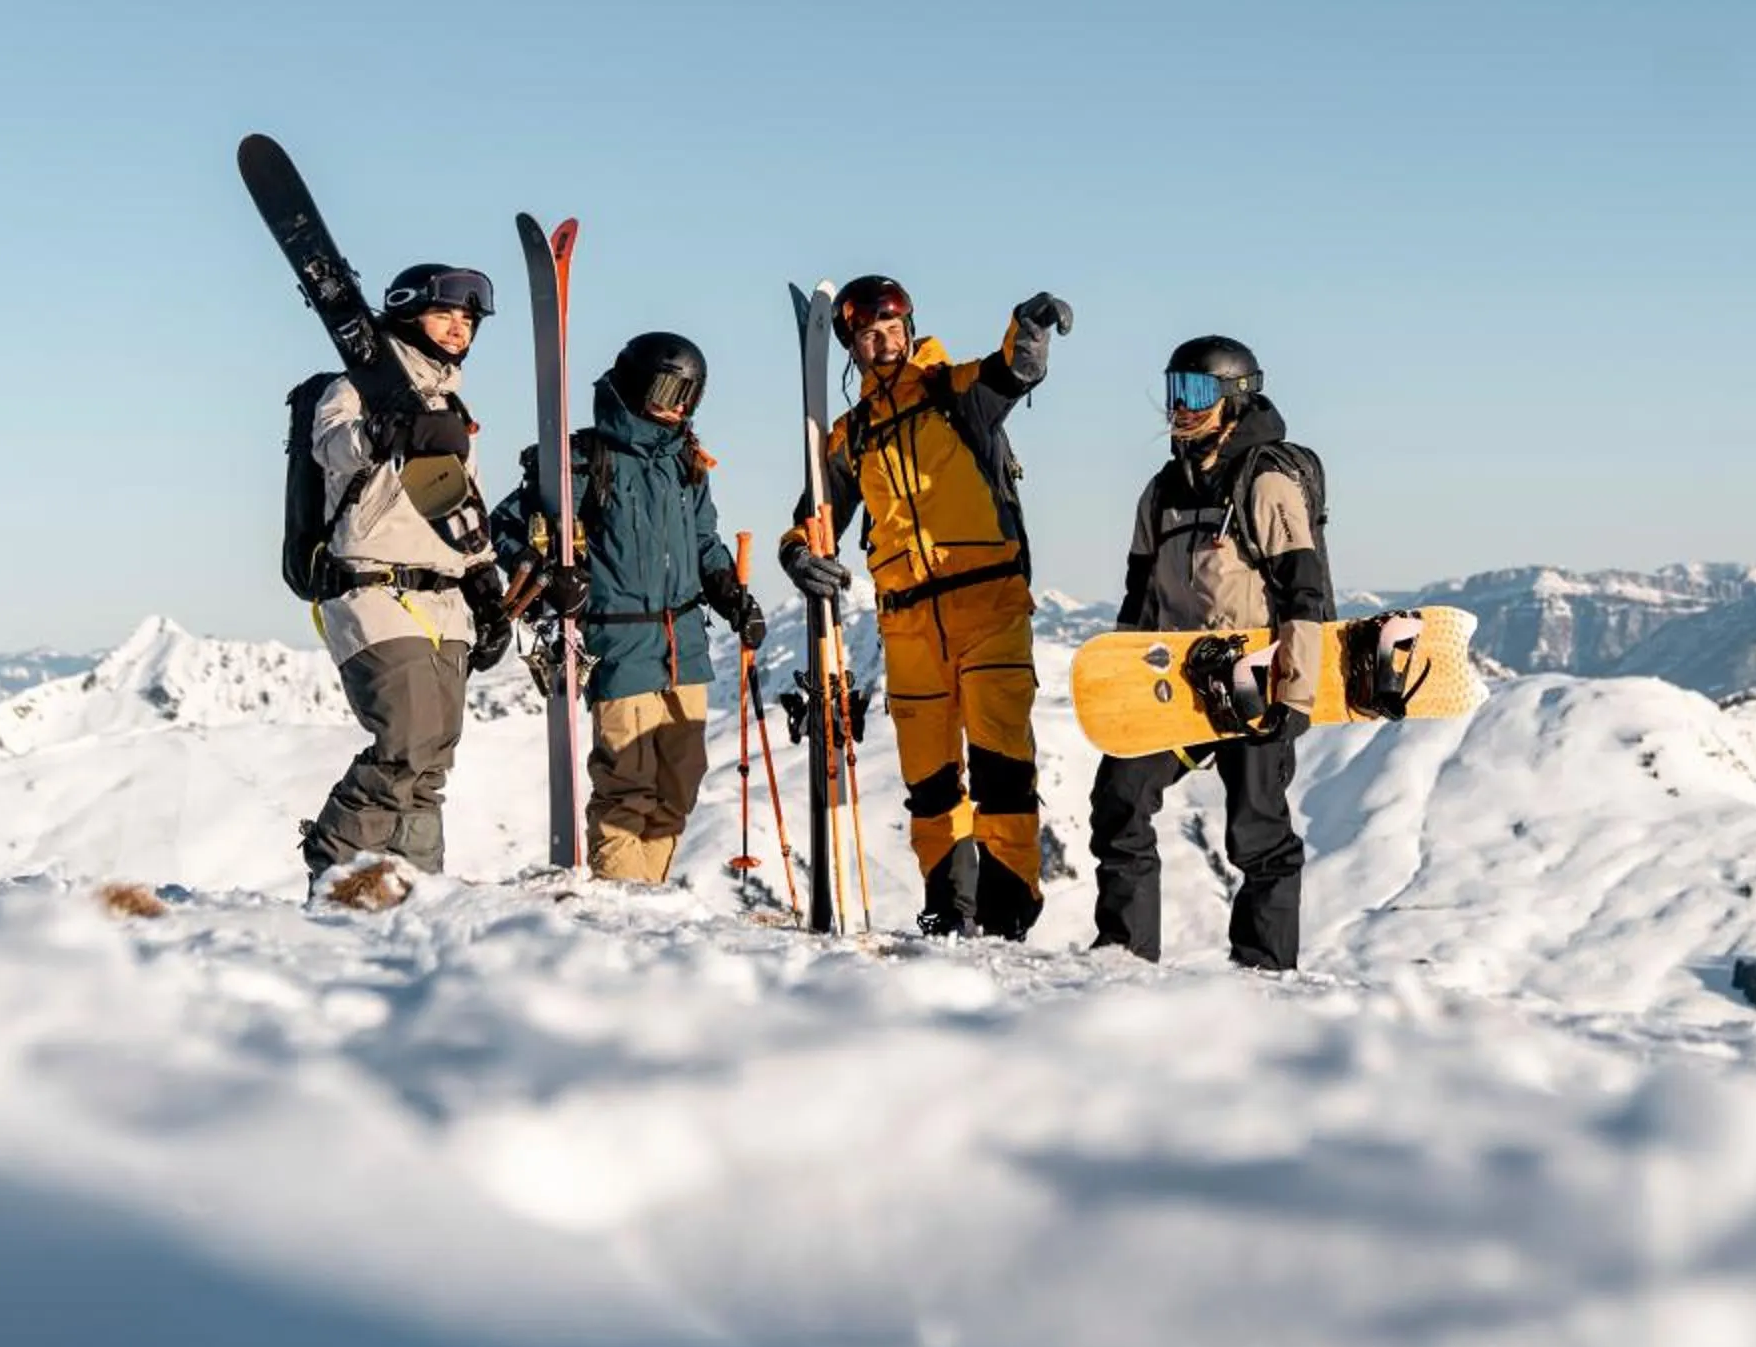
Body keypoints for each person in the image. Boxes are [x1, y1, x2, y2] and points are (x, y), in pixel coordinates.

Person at [780, 276, 1071, 939]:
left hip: (989, 606)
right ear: (852, 349)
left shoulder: (955, 392)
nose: (883, 344)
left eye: (892, 330)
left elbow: (1015, 371)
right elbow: (813, 518)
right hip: (907, 623)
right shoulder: (852, 437)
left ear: (910, 328)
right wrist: (798, 553)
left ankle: (1006, 917)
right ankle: (946, 915)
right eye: (867, 337)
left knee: (1002, 772)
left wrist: (1030, 328)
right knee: (932, 786)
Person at [1089, 335, 1330, 972]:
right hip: (1178, 685)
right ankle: (1124, 956)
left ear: (1233, 399)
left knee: (1257, 834)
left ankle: (1265, 971)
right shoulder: (1162, 491)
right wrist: (1123, 688)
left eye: (1195, 393)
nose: (1179, 407)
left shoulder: (1267, 483)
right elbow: (1139, 599)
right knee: (1120, 798)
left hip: (1255, 685)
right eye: (1174, 390)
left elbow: (1304, 593)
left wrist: (1297, 694)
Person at [493, 331, 766, 883]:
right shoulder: (584, 458)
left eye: (690, 394)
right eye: (668, 388)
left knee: (679, 788)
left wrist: (732, 595)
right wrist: (550, 577)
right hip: (619, 645)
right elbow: (506, 525)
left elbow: (704, 541)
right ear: (638, 383)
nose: (677, 404)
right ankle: (622, 915)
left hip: (684, 647)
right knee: (627, 787)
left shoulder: (687, 462)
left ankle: (649, 900)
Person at [298, 264, 512, 885]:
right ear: (408, 315)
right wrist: (391, 427)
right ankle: (336, 876)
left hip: (446, 600)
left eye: (467, 318)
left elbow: (461, 508)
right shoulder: (357, 387)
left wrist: (485, 584)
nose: (457, 327)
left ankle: (417, 888)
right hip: (375, 591)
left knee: (431, 762)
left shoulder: (452, 403)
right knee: (406, 745)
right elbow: (331, 448)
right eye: (444, 314)